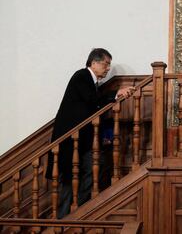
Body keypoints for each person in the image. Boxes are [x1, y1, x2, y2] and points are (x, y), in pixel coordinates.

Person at [45, 48, 135, 218]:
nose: (108, 68)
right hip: (70, 141)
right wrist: (116, 93)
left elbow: (93, 108)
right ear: (94, 63)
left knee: (94, 166)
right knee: (68, 181)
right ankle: (63, 219)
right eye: (106, 64)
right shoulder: (81, 76)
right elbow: (92, 102)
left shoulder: (92, 83)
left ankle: (77, 209)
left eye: (109, 65)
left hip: (83, 141)